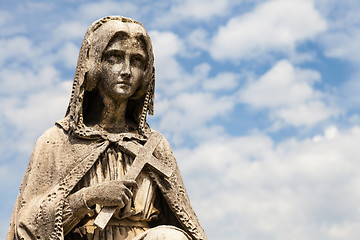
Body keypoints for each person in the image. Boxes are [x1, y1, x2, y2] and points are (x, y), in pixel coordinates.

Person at [7, 16, 207, 240]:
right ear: (93, 65)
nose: (126, 71)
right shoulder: (57, 141)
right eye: (114, 57)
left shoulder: (155, 146)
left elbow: (184, 220)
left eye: (137, 61)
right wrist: (87, 198)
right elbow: (28, 225)